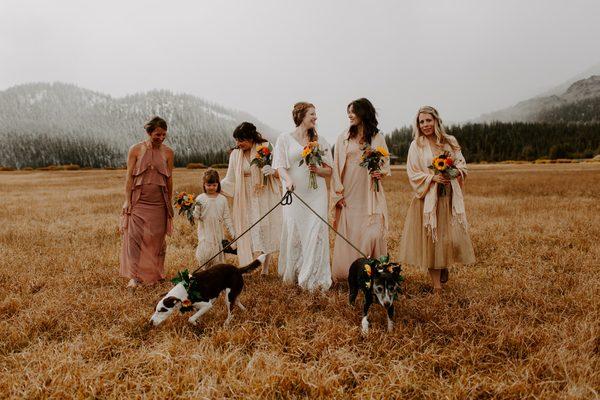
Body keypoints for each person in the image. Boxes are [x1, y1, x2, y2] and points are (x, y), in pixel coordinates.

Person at [398, 106, 475, 294]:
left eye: (428, 120)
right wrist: (432, 178)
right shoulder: (416, 145)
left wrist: (450, 173)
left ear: (436, 121)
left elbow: (462, 165)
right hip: (427, 199)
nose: (425, 125)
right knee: (431, 241)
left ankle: (443, 264)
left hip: (447, 197)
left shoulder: (450, 142)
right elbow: (413, 173)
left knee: (445, 238)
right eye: (421, 122)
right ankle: (437, 288)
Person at [272, 102, 333, 291]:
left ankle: (314, 278)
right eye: (312, 114)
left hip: (316, 194)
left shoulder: (320, 140)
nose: (315, 118)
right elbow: (279, 166)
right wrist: (288, 180)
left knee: (316, 231)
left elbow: (329, 170)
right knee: (295, 231)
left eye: (316, 114)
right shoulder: (284, 138)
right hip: (294, 193)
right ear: (301, 116)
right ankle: (297, 272)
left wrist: (317, 169)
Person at [330, 98, 390, 282]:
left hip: (370, 191)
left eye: (353, 111)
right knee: (351, 230)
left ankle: (374, 271)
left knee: (373, 230)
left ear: (364, 112)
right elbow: (336, 166)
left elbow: (385, 162)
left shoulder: (377, 137)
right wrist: (337, 193)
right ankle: (351, 273)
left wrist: (380, 172)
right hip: (349, 190)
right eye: (348, 111)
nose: (349, 115)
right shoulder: (343, 137)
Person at [120, 116, 174, 287]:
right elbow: (129, 177)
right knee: (134, 238)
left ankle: (155, 274)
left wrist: (169, 203)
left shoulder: (168, 152)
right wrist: (127, 201)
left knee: (157, 240)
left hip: (159, 203)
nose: (161, 138)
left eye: (164, 134)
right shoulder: (135, 150)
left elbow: (170, 179)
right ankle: (134, 276)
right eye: (157, 134)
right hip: (139, 201)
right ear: (149, 132)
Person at [221, 122, 281, 273]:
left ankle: (265, 268)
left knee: (265, 227)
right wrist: (217, 188)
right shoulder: (235, 154)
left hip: (264, 192)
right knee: (251, 228)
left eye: (241, 140)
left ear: (251, 138)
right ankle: (251, 264)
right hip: (245, 195)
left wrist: (272, 171)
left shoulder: (266, 147)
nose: (238, 144)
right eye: (236, 140)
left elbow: (279, 169)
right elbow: (230, 178)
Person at [193, 169, 236, 269]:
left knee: (217, 260)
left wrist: (233, 232)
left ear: (218, 184)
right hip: (205, 234)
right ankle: (205, 272)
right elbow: (196, 216)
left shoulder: (222, 199)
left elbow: (227, 218)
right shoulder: (200, 199)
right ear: (204, 184)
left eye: (214, 185)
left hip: (217, 233)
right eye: (208, 185)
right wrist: (190, 210)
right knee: (204, 257)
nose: (211, 187)